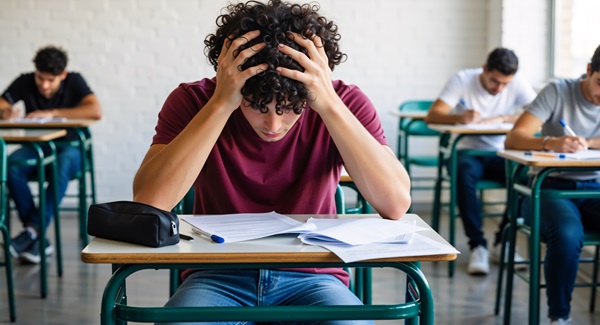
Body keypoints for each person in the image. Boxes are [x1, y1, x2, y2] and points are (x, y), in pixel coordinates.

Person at [132, 0, 411, 324]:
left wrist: (329, 105)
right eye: (257, 105)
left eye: (291, 107)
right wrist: (221, 104)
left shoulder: (343, 103)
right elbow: (150, 201)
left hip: (315, 277)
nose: (274, 125)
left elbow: (395, 204)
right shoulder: (195, 101)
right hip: (216, 276)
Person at [504, 44, 600, 325]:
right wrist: (550, 142)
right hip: (548, 188)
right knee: (568, 234)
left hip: (594, 187)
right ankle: (560, 316)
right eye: (599, 83)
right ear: (588, 71)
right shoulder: (558, 91)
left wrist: (590, 142)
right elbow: (514, 138)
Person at [425, 48, 536, 275]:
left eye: (505, 84)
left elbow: (539, 115)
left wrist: (504, 117)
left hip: (499, 153)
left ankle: (503, 242)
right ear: (484, 69)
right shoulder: (463, 79)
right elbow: (433, 115)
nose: (499, 88)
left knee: (526, 176)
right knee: (463, 173)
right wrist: (459, 117)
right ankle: (478, 245)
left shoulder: (517, 82)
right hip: (466, 152)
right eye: (495, 81)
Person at [0, 45, 102, 263]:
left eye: (51, 80)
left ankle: (31, 232)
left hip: (71, 148)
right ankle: (35, 236)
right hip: (37, 145)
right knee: (11, 165)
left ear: (62, 75)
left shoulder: (74, 81)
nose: (44, 85)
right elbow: (2, 102)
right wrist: (6, 110)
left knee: (62, 164)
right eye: (40, 78)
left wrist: (53, 112)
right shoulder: (25, 80)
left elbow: (95, 110)